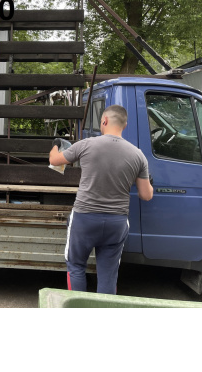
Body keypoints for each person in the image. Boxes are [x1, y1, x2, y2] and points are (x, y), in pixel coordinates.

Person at [49, 104, 153, 294]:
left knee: (76, 267)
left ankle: (77, 307)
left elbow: (54, 161)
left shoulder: (86, 145)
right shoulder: (138, 155)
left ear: (104, 121)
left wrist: (56, 145)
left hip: (84, 219)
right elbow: (146, 195)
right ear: (125, 125)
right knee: (108, 275)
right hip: (116, 222)